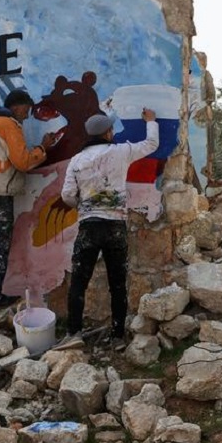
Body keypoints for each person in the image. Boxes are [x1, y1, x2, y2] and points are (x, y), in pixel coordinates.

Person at [58, 108, 158, 349]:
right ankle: (117, 337)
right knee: (117, 283)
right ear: (107, 133)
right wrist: (151, 121)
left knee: (79, 282)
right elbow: (151, 144)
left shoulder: (77, 160)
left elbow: (67, 196)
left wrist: (84, 203)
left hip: (89, 226)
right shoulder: (120, 152)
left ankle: (74, 334)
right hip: (115, 226)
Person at [0, 89, 56, 308]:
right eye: (26, 110)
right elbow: (22, 162)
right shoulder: (9, 125)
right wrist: (44, 148)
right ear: (16, 106)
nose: (27, 115)